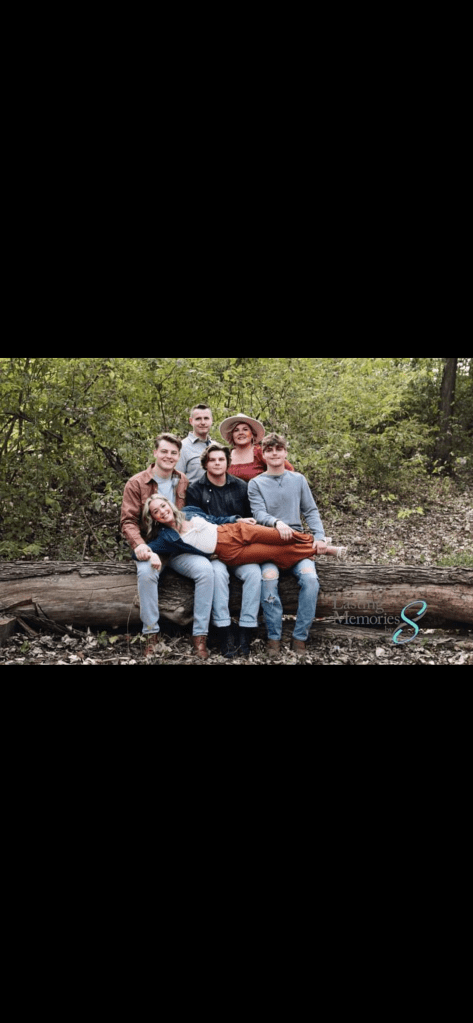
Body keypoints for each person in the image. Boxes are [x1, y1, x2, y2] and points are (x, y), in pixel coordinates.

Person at [120, 432, 215, 660]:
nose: (168, 456)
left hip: (180, 547)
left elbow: (189, 515)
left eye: (173, 453)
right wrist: (141, 547)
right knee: (146, 573)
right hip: (153, 547)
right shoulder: (136, 483)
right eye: (164, 451)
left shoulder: (182, 480)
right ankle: (151, 635)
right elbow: (128, 521)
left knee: (206, 571)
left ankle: (199, 635)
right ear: (155, 452)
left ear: (178, 456)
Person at [247, 433, 326, 657]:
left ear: (285, 452)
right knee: (269, 579)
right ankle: (274, 636)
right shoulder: (256, 483)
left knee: (310, 580)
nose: (274, 454)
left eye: (278, 449)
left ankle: (300, 636)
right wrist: (276, 522)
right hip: (269, 543)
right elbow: (258, 513)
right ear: (263, 455)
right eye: (269, 450)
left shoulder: (298, 479)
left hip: (296, 544)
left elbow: (310, 510)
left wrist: (319, 536)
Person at [185, 442, 261, 658]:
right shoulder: (195, 489)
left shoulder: (241, 487)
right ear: (205, 464)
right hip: (213, 550)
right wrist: (231, 522)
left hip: (239, 549)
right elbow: (196, 522)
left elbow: (250, 521)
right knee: (218, 574)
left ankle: (246, 629)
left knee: (254, 574)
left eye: (221, 459)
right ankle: (224, 630)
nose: (217, 463)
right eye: (212, 460)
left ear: (228, 463)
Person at [140, 496, 342, 573]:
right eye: (156, 511)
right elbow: (140, 550)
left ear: (169, 504)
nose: (162, 511)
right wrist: (152, 554)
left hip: (233, 530)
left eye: (163, 506)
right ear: (154, 518)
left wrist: (237, 519)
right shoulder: (166, 537)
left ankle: (317, 543)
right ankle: (318, 550)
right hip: (228, 551)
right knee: (274, 552)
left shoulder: (189, 511)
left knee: (278, 536)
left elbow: (215, 519)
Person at [219, 413, 294, 483]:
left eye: (245, 429)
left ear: (252, 434)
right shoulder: (226, 455)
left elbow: (289, 469)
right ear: (232, 435)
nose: (241, 433)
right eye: (236, 430)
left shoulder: (260, 452)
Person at [175, 403, 214, 483]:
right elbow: (176, 480)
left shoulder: (217, 447)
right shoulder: (182, 447)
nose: (203, 422)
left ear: (211, 420)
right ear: (191, 421)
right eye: (198, 419)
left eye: (206, 418)